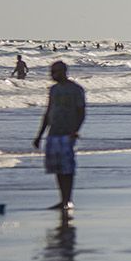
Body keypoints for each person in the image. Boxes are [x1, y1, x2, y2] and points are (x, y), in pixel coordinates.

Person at [32, 60, 87, 212]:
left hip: (67, 133)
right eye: (51, 71)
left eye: (54, 72)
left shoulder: (76, 89)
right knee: (56, 168)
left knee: (67, 168)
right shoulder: (53, 90)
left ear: (63, 72)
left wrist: (75, 130)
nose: (52, 75)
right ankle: (62, 199)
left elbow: (81, 112)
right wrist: (39, 135)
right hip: (53, 133)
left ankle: (68, 199)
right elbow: (48, 113)